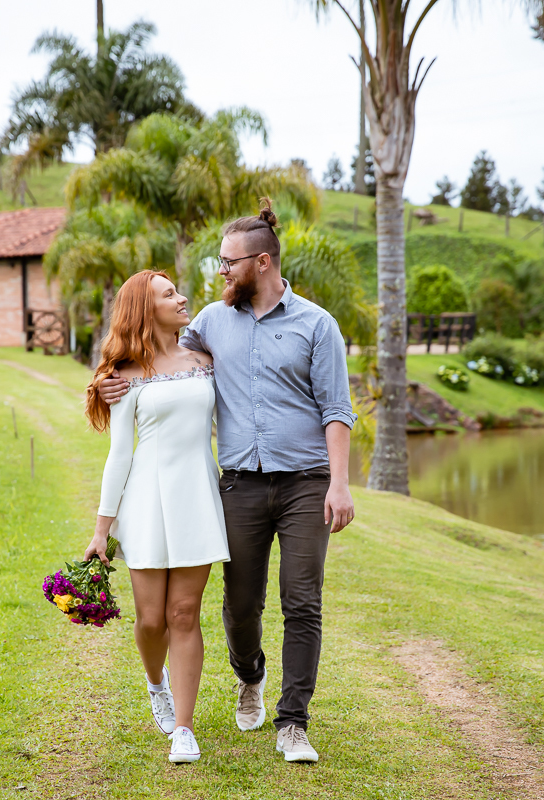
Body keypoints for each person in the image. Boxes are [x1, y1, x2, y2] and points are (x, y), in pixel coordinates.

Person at [97, 199, 356, 763]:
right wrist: (104, 385)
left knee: (302, 600)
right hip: (239, 485)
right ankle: (250, 675)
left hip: (307, 480)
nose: (220, 271)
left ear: (261, 262)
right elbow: (149, 357)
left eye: (227, 262)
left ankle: (294, 724)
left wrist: (339, 482)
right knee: (240, 606)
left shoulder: (317, 324)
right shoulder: (211, 323)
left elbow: (337, 408)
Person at [83, 270, 229, 765]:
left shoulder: (205, 361)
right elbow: (119, 455)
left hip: (198, 498)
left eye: (177, 289)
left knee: (183, 615)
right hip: (145, 501)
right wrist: (102, 530)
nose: (181, 297)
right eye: (169, 294)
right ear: (146, 310)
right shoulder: (124, 376)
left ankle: (183, 729)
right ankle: (155, 682)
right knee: (150, 620)